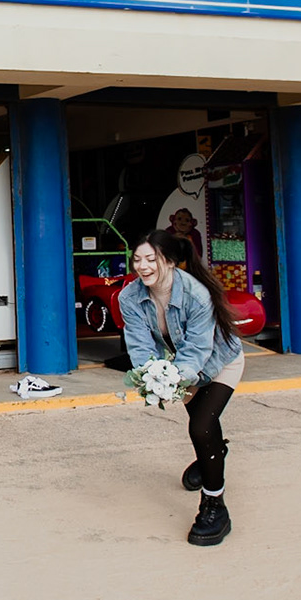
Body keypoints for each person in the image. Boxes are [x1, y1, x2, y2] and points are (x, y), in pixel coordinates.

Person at [117, 228, 245, 547]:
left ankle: (215, 507)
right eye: (137, 259)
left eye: (152, 259)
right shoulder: (128, 297)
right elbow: (140, 345)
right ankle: (212, 455)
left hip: (219, 362)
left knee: (201, 426)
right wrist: (151, 376)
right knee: (204, 429)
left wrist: (172, 379)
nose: (143, 266)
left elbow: (198, 351)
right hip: (178, 368)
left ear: (171, 262)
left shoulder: (196, 295)